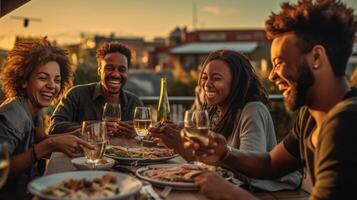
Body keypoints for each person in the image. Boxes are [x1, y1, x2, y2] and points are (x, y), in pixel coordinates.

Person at [183, 0, 357, 199]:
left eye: (279, 63)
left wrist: (231, 194)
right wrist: (225, 154)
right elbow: (270, 164)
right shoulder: (310, 116)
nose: (273, 76)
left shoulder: (346, 125)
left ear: (316, 57)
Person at [151, 50, 302, 191]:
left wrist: (180, 145)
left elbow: (249, 173)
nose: (207, 84)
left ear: (237, 82)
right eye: (204, 78)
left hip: (266, 193)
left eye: (216, 78)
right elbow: (208, 161)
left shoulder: (253, 110)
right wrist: (173, 138)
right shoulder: (215, 111)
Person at [0, 38, 94, 200]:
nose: (52, 85)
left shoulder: (33, 112)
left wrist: (79, 134)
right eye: (43, 78)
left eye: (57, 80)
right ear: (23, 81)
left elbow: (41, 140)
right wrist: (50, 145)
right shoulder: (13, 114)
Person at [48, 42, 144, 137]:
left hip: (124, 152)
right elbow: (54, 127)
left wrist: (137, 134)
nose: (116, 74)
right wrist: (92, 128)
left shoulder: (135, 103)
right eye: (109, 68)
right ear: (99, 71)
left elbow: (146, 137)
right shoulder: (77, 95)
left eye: (122, 70)